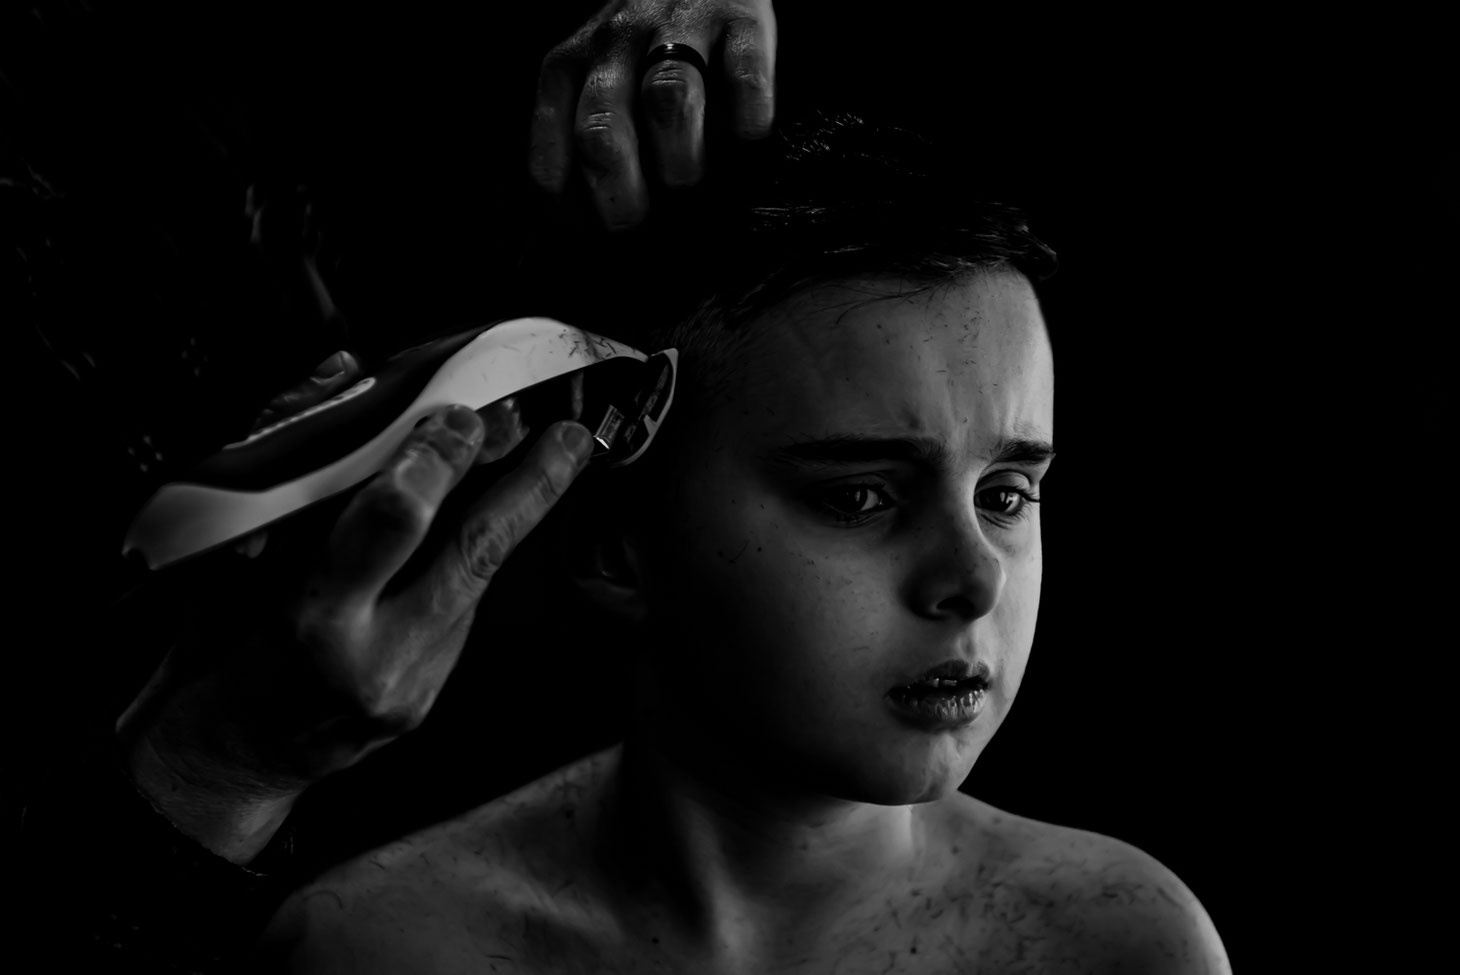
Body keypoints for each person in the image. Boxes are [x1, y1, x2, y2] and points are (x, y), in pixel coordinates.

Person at [241, 115, 1232, 972]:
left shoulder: (1113, 943)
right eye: (858, 498)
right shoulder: (381, 950)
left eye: (1006, 493)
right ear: (615, 545)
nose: (971, 580)